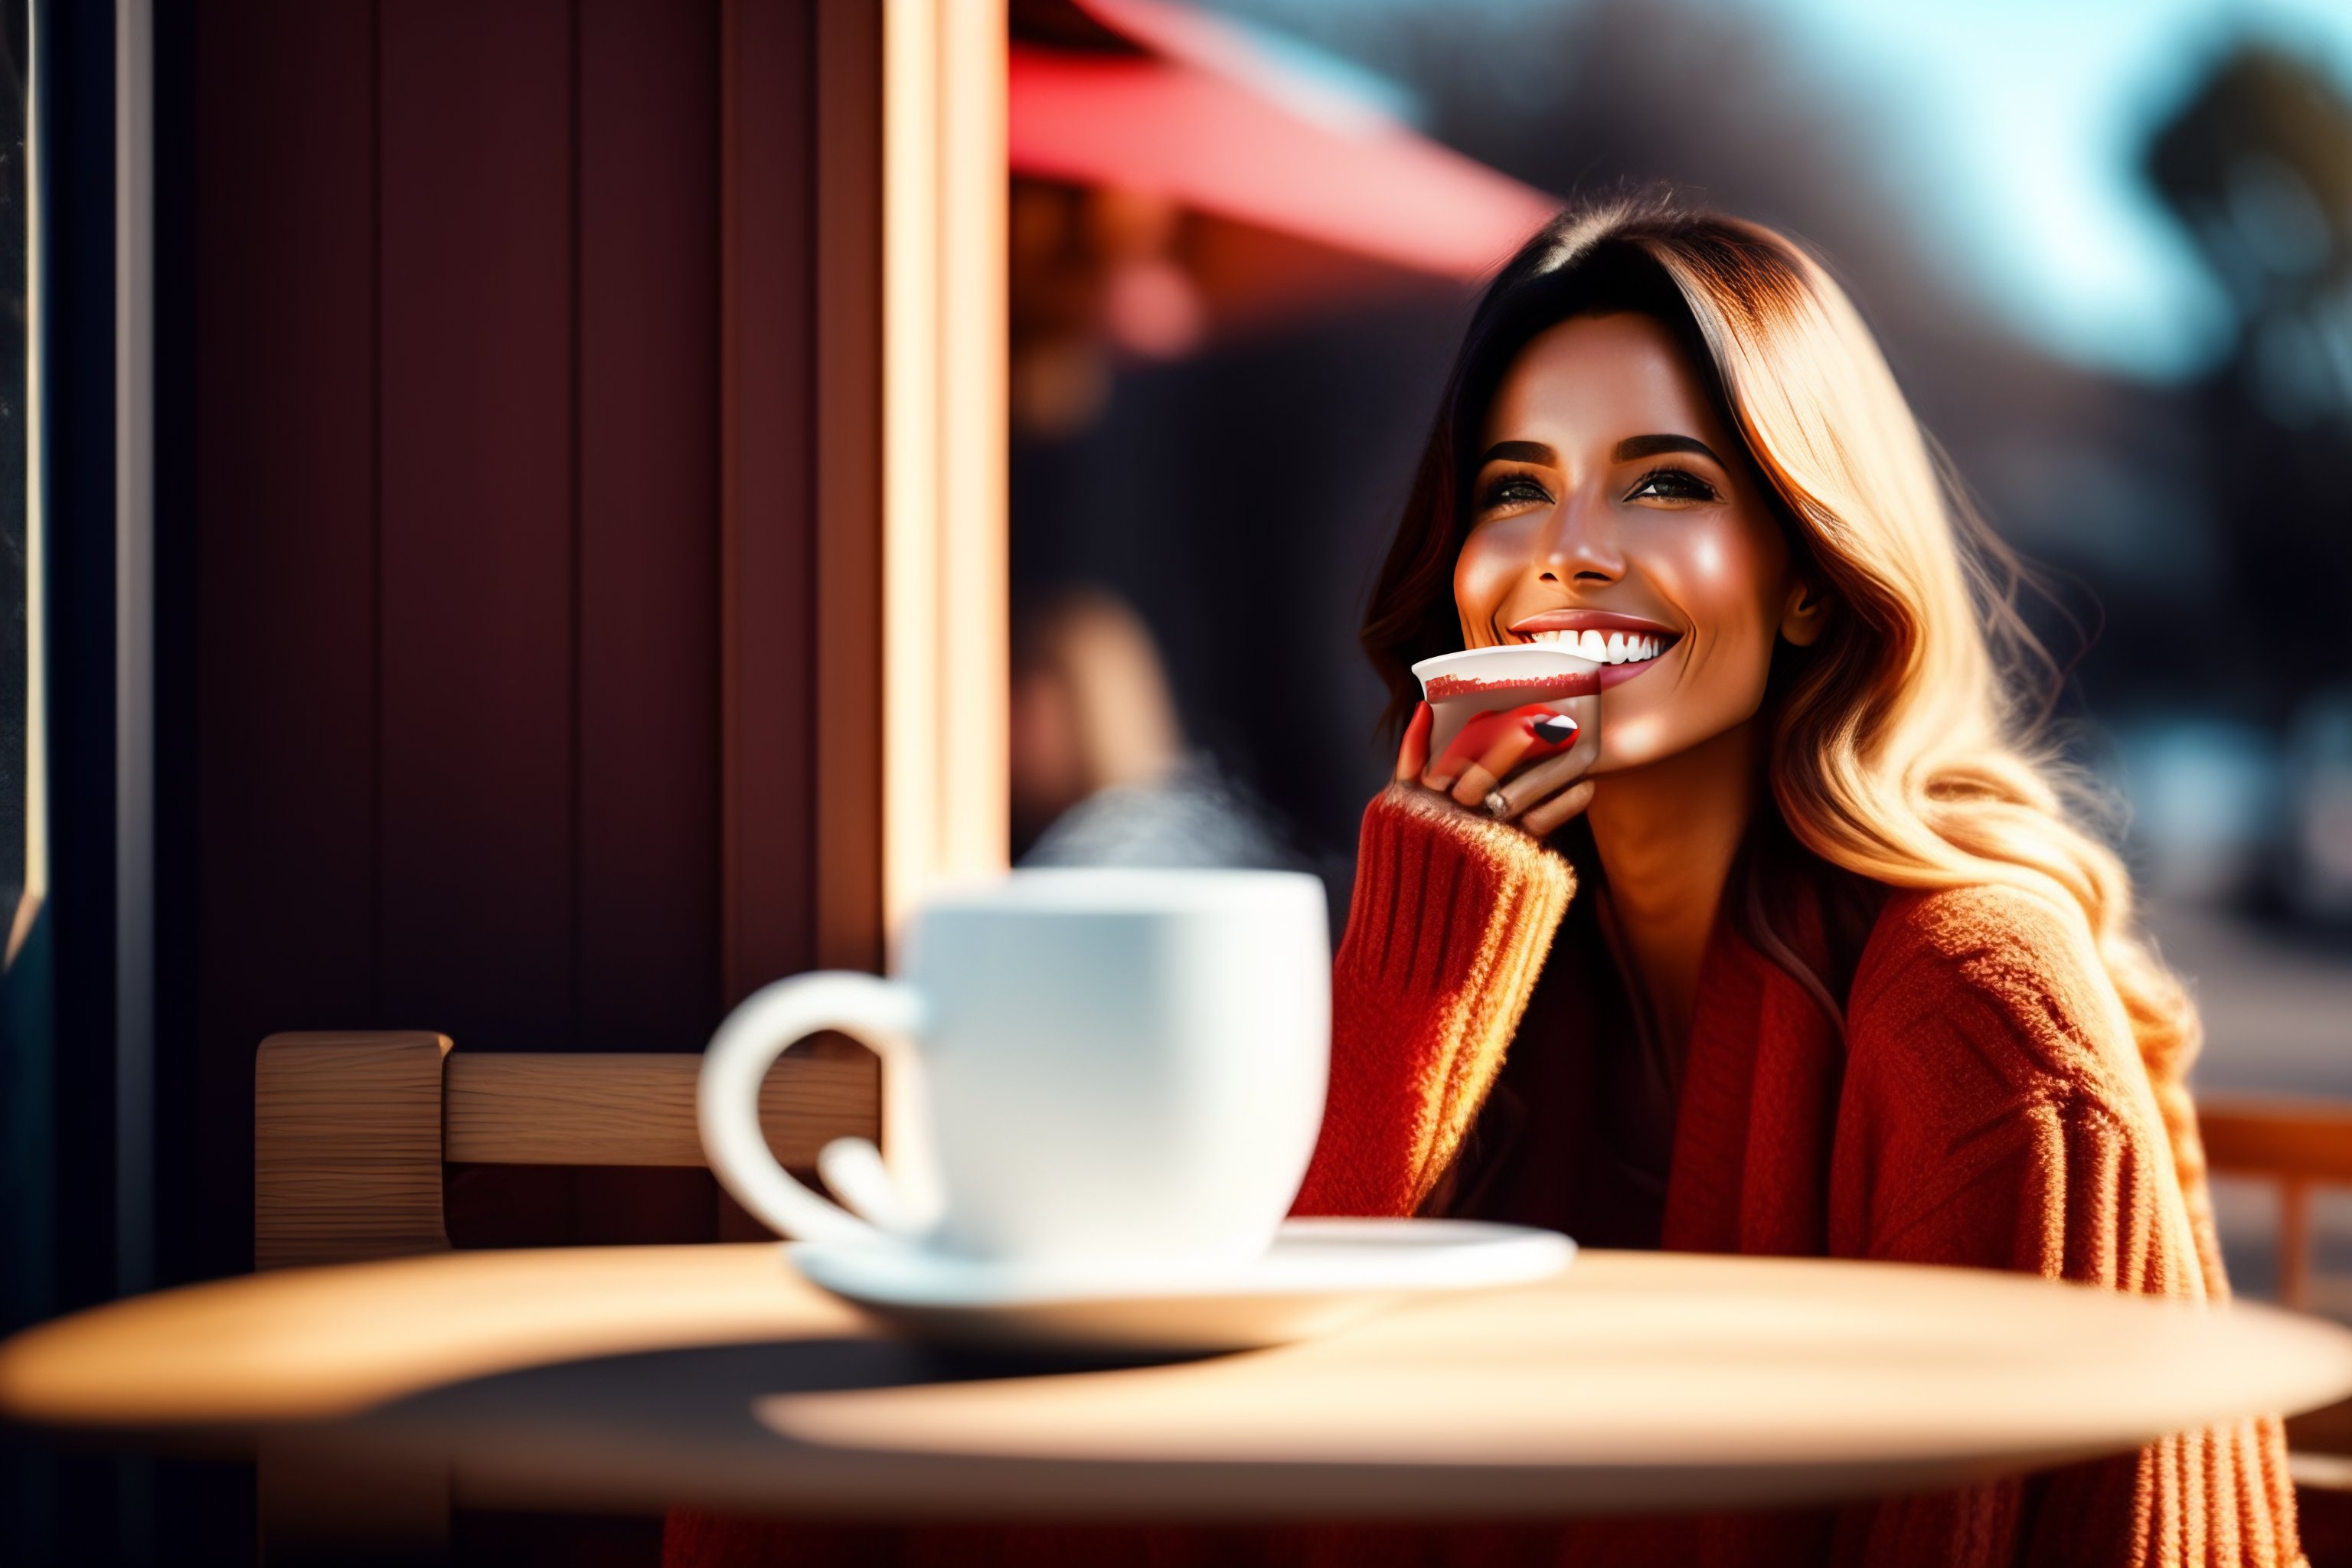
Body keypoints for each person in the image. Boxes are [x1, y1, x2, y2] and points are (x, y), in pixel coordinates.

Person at [666, 196, 2301, 1568]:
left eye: (1667, 482)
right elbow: (1245, 1428)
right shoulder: (1495, 936)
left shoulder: (1972, 999)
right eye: (1515, 486)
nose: (1565, 550)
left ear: (1812, 580)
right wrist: (1431, 943)